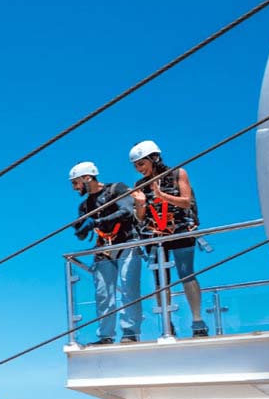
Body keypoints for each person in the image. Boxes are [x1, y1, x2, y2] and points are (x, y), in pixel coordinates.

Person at [128, 141, 209, 338]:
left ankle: (197, 321)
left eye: (141, 164)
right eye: (136, 166)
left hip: (180, 229)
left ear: (153, 158)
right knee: (160, 281)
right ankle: (167, 324)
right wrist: (139, 205)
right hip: (156, 236)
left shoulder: (178, 173)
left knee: (186, 273)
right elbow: (140, 217)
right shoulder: (139, 186)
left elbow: (186, 201)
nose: (139, 169)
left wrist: (161, 195)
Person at [69, 161, 143, 345]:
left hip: (127, 241)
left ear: (87, 178)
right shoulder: (85, 206)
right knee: (103, 293)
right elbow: (83, 232)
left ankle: (130, 332)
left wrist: (97, 222)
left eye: (76, 182)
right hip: (105, 247)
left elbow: (126, 211)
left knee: (129, 287)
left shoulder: (116, 189)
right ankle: (105, 335)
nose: (74, 187)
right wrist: (81, 229)